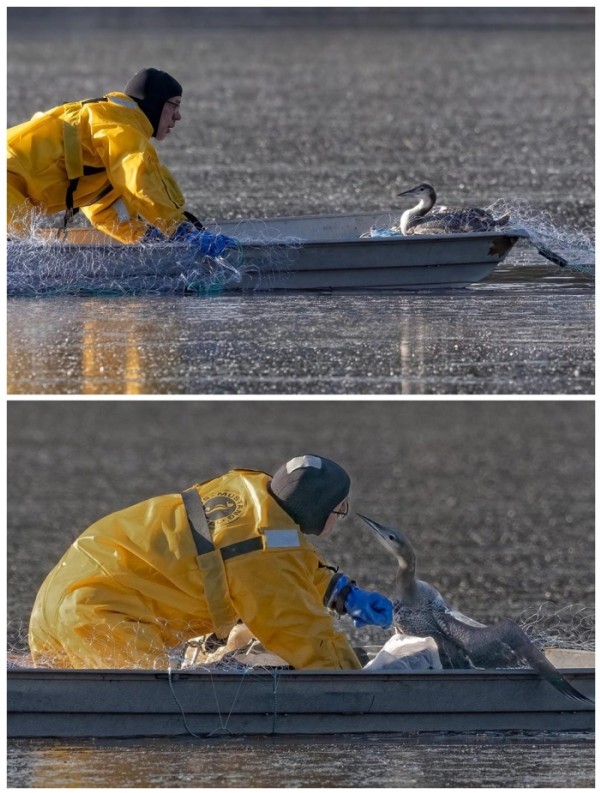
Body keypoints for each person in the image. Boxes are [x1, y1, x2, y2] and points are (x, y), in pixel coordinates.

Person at [28, 455, 393, 670]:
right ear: (317, 511)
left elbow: (276, 553)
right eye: (339, 509)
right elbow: (301, 631)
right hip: (99, 614)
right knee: (152, 706)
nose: (341, 515)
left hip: (63, 592)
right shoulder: (263, 557)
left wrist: (340, 592)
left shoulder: (250, 496)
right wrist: (356, 676)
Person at [7, 67, 238, 256]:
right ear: (156, 103)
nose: (178, 116)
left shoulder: (107, 130)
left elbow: (106, 208)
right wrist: (180, 230)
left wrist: (146, 237)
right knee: (16, 256)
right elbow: (138, 176)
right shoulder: (120, 127)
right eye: (174, 105)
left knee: (19, 253)